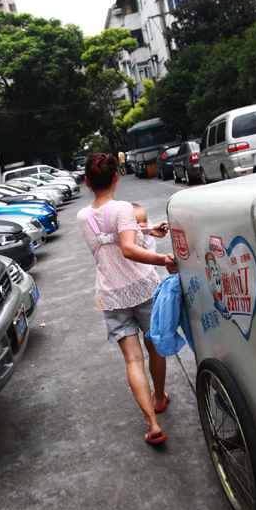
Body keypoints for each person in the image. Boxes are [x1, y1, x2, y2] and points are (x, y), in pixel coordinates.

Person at [77, 153, 177, 444]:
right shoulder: (122, 208)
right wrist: (163, 258)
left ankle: (153, 424)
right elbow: (129, 248)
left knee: (133, 360)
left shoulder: (83, 216)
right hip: (143, 286)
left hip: (111, 293)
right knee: (155, 347)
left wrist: (146, 229)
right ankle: (159, 397)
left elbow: (111, 236)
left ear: (87, 182)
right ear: (116, 177)